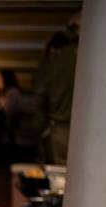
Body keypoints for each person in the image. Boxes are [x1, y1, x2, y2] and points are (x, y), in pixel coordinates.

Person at [33, 16, 79, 165]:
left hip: (59, 128)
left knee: (60, 176)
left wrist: (40, 128)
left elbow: (41, 92)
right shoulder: (88, 56)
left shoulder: (57, 58)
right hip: (82, 129)